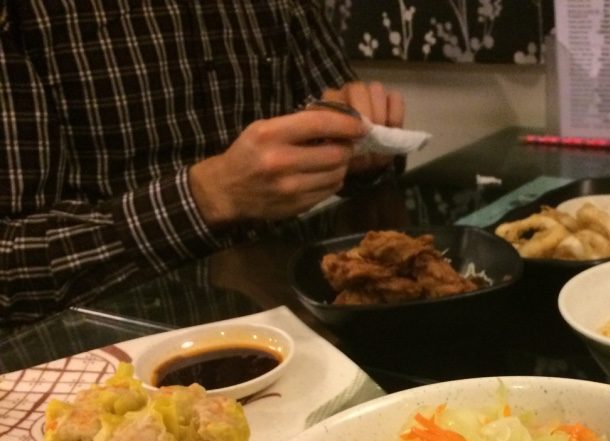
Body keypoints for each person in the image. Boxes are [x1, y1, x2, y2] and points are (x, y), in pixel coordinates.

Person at [0, 1, 405, 326]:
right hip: (101, 363)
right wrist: (205, 198)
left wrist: (360, 147)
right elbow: (10, 269)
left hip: (293, 327)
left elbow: (340, 125)